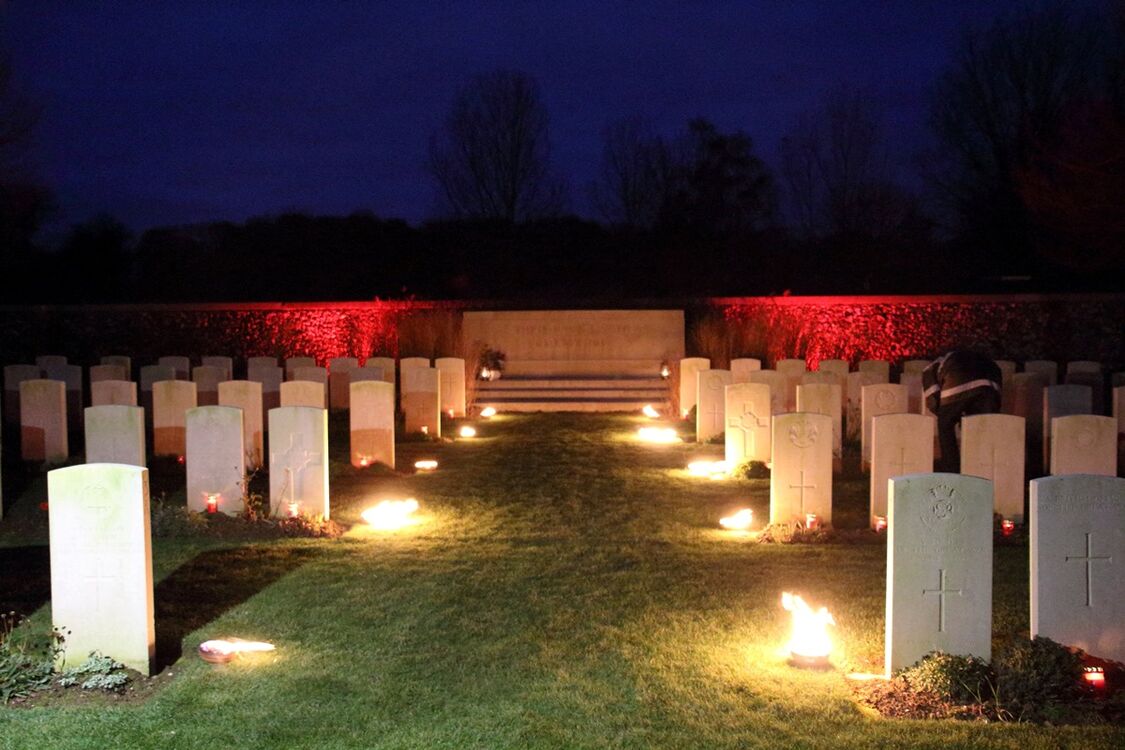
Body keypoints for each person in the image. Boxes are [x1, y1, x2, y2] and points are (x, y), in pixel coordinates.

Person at [922, 350, 1002, 473]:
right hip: (991, 383)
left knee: (945, 424)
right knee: (981, 426)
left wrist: (946, 414)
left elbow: (933, 400)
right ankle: (979, 466)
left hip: (959, 378)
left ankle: (951, 468)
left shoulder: (929, 370)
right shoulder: (977, 356)